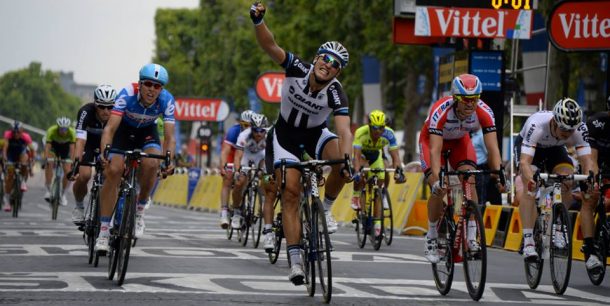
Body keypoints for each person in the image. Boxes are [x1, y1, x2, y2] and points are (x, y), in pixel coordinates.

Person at [251, 2, 353, 285]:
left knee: (342, 166)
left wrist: (347, 159)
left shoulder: (336, 93)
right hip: (284, 136)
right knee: (291, 192)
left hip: (314, 134)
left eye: (335, 65)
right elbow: (271, 46)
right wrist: (258, 22)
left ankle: (328, 208)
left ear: (337, 73)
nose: (328, 65)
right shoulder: (297, 68)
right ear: (316, 58)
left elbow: (344, 132)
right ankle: (295, 260)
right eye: (325, 58)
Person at [419, 74, 504, 263]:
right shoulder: (440, 111)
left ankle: (472, 236)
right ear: (456, 98)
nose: (470, 104)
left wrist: (499, 174)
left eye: (475, 99)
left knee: (470, 178)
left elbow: (493, 147)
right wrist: (437, 178)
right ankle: (432, 235)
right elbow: (434, 150)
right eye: (466, 99)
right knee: (439, 187)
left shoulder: (484, 111)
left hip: (459, 143)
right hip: (433, 144)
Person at [94, 63, 175, 253]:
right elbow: (110, 129)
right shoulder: (127, 94)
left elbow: (170, 138)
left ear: (161, 88)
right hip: (124, 131)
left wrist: (169, 160)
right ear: (140, 84)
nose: (152, 90)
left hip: (147, 131)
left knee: (152, 163)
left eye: (157, 86)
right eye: (148, 84)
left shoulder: (167, 100)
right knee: (114, 170)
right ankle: (104, 232)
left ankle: (139, 210)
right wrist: (105, 151)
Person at [516, 98, 595, 268]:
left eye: (571, 129)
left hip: (555, 149)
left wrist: (590, 177)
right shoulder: (537, 125)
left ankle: (558, 227)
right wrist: (530, 178)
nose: (568, 133)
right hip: (531, 149)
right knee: (530, 187)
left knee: (567, 179)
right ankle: (529, 240)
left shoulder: (579, 129)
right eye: (564, 128)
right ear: (554, 121)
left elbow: (587, 160)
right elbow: (524, 162)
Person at [351, 110, 405, 237]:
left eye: (381, 128)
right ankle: (356, 195)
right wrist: (357, 171)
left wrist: (399, 171)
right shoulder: (361, 132)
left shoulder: (389, 134)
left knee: (380, 182)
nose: (378, 131)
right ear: (369, 126)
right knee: (360, 174)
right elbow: (357, 157)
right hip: (362, 155)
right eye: (375, 128)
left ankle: (377, 223)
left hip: (376, 156)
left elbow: (396, 157)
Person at [68, 84, 116, 224]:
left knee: (110, 175)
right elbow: (80, 141)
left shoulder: (118, 114)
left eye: (110, 107)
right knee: (84, 175)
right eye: (101, 106)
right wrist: (76, 162)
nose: (106, 111)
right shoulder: (85, 112)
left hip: (107, 146)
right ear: (95, 104)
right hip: (88, 144)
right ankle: (79, 206)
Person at [584, 95, 610, 271]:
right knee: (591, 198)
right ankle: (590, 249)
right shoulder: (597, 122)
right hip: (594, 161)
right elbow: (591, 159)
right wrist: (594, 180)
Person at [231, 113, 268, 231]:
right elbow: (238, 156)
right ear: (251, 128)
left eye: (262, 130)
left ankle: (262, 205)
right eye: (256, 130)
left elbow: (270, 156)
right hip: (246, 156)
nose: (258, 133)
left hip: (261, 156)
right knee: (239, 182)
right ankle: (236, 212)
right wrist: (237, 171)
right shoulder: (244, 135)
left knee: (267, 178)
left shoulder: (270, 136)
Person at [218, 110, 254, 228]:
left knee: (245, 179)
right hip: (232, 154)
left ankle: (244, 203)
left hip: (246, 154)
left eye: (250, 126)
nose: (247, 128)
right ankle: (224, 211)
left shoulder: (257, 133)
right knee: (228, 177)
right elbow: (225, 150)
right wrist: (223, 165)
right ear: (240, 123)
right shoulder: (234, 131)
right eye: (245, 125)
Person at [2, 121, 35, 211]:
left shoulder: (26, 137)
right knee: (9, 177)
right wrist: (5, 158)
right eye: (14, 132)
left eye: (18, 132)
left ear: (22, 131)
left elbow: (32, 150)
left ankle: (23, 181)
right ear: (11, 131)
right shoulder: (8, 135)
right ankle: (7, 201)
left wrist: (32, 160)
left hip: (21, 154)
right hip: (11, 154)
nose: (16, 134)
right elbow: (5, 148)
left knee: (25, 161)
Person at [43, 117, 76, 206]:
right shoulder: (51, 131)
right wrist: (46, 159)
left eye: (65, 128)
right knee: (49, 164)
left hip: (65, 149)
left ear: (68, 128)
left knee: (68, 171)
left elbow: (72, 149)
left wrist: (72, 161)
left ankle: (63, 194)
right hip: (54, 148)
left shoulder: (72, 132)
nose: (63, 131)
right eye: (61, 128)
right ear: (58, 127)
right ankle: (48, 190)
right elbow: (48, 147)